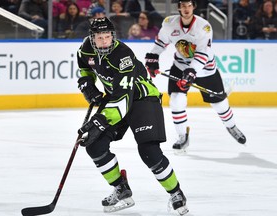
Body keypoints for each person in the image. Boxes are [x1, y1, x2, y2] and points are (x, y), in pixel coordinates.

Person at [76, 17, 188, 215]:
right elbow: (85, 67)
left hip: (142, 100)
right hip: (115, 99)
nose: (104, 41)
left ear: (113, 36)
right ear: (92, 38)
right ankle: (121, 188)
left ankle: (176, 193)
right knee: (95, 146)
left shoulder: (122, 55)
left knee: (149, 151)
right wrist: (87, 84)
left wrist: (100, 120)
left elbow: (123, 99)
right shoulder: (86, 48)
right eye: (99, 37)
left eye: (107, 37)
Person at [145, 0, 246, 152]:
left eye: (189, 5)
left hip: (205, 69)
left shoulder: (203, 26)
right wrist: (153, 58)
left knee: (219, 104)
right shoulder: (169, 23)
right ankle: (182, 136)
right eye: (183, 5)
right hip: (180, 66)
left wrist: (192, 72)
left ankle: (231, 126)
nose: (186, 8)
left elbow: (202, 53)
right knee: (176, 100)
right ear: (178, 7)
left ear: (194, 7)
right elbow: (160, 43)